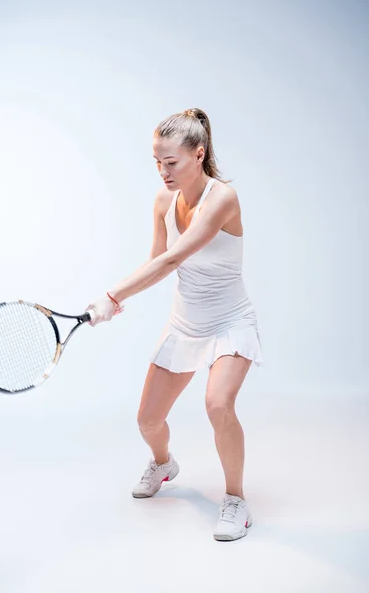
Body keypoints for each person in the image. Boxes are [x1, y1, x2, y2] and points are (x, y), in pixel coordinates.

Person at [86, 108, 263, 542]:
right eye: (157, 162)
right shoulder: (163, 200)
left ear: (199, 154)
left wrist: (114, 295)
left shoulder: (222, 198)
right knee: (148, 422)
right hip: (185, 323)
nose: (163, 172)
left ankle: (236, 501)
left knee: (218, 405)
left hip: (229, 321)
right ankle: (164, 463)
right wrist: (123, 295)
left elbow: (173, 259)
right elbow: (155, 260)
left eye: (172, 162)